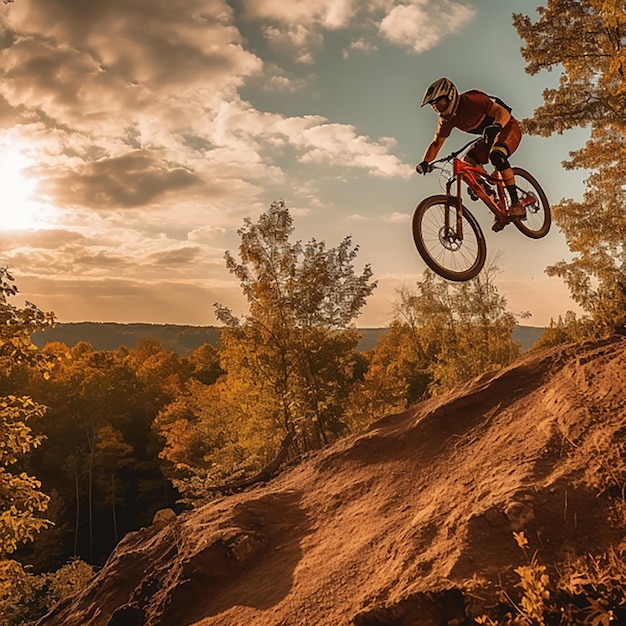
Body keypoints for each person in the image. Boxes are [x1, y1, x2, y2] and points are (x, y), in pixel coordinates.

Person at [415, 77, 524, 232]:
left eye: (439, 103)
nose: (438, 109)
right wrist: (425, 162)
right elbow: (436, 144)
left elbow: (502, 112)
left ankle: (516, 203)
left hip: (507, 127)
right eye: (434, 106)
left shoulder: (472, 100)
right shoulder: (446, 120)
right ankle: (494, 199)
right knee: (468, 160)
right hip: (488, 137)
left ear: (450, 96)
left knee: (496, 155)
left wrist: (497, 125)